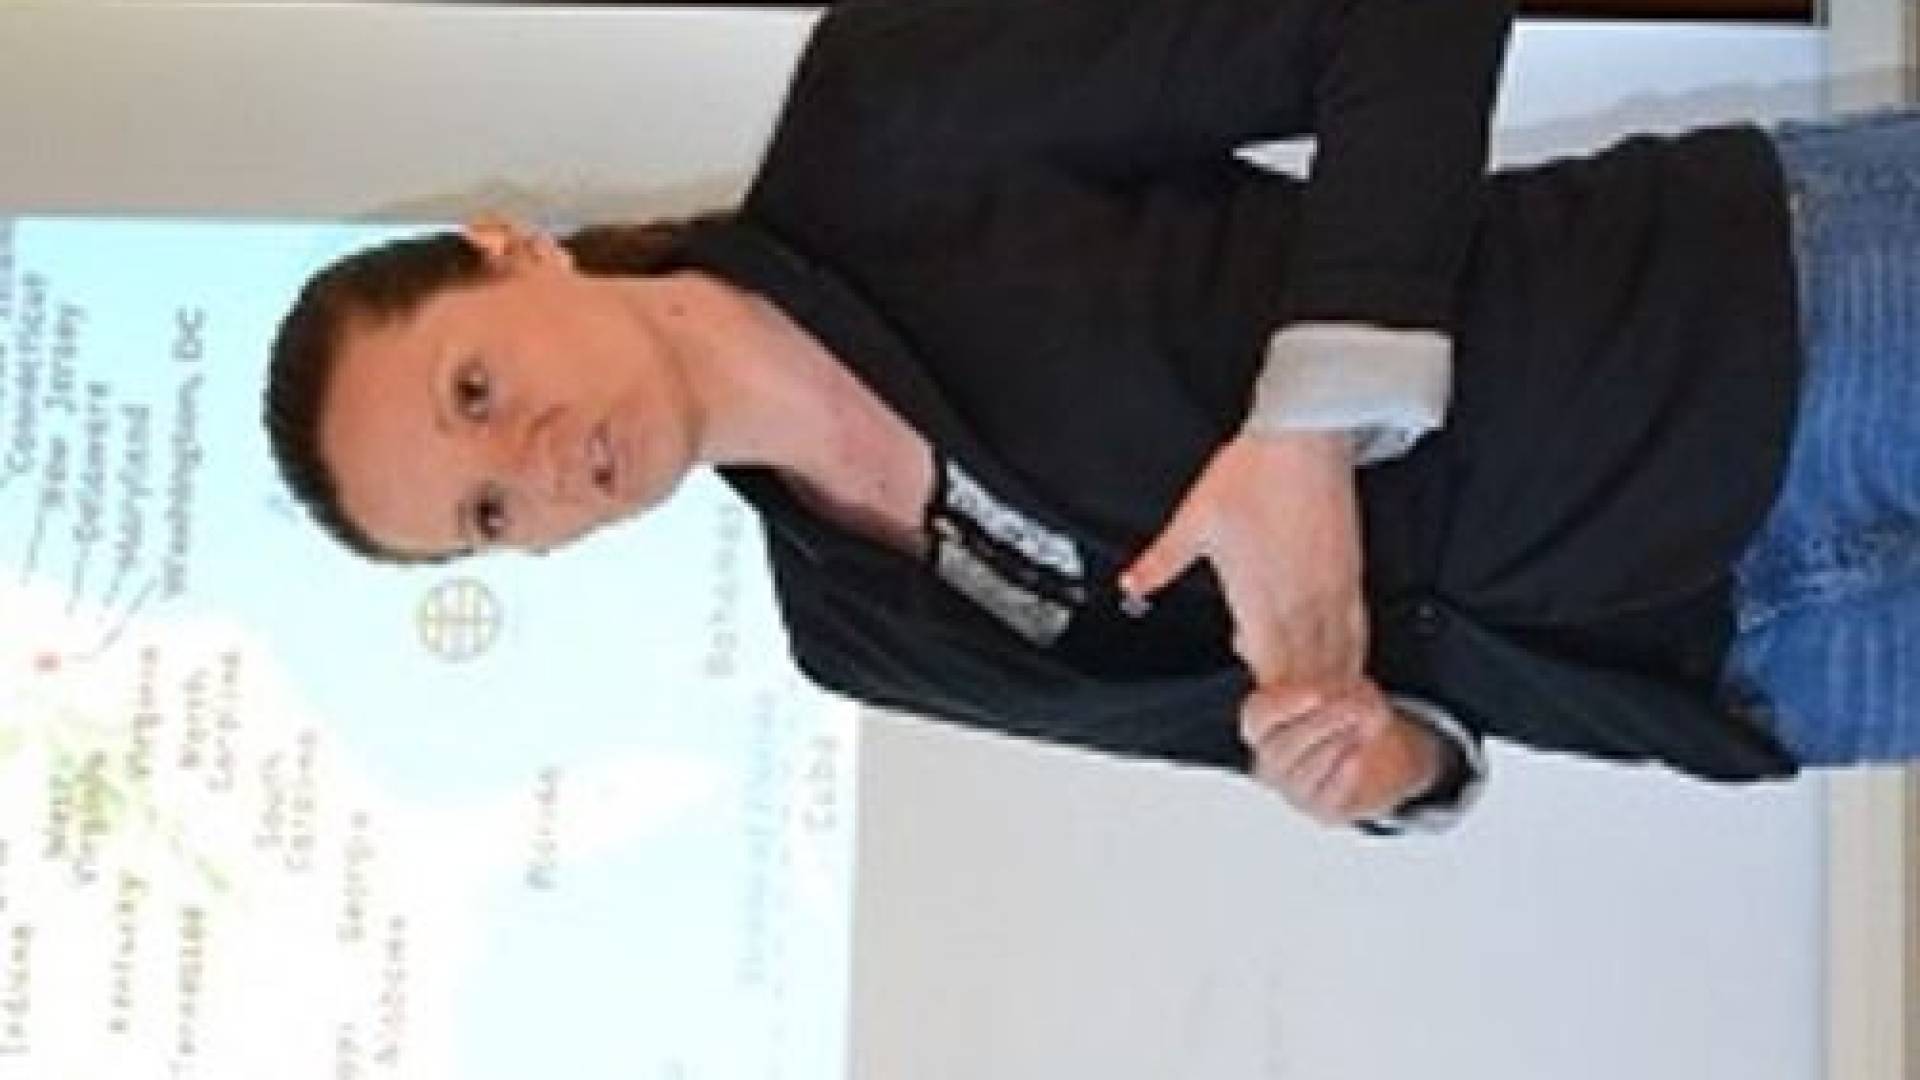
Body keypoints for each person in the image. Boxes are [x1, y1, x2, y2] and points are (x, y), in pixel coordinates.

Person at [264, 0, 1917, 835]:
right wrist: (1385, 764)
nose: (532, 466)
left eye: (473, 391)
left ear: (511, 250)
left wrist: (1310, 426)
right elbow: (1279, 719)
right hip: (1738, 676)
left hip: (1773, 330)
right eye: (486, 516)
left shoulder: (886, 117)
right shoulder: (857, 638)